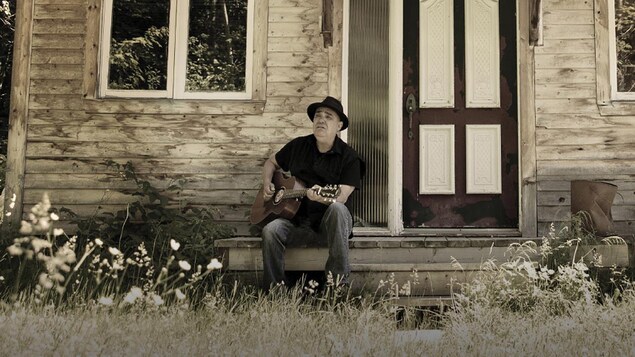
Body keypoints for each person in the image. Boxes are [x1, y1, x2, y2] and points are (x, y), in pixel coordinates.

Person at [260, 96, 364, 290]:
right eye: (318, 115)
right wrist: (267, 183)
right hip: (296, 222)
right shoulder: (298, 146)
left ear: (339, 126)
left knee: (339, 210)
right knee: (270, 230)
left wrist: (322, 200)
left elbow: (341, 196)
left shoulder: (350, 158)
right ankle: (275, 291)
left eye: (328, 116)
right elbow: (270, 163)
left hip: (329, 228)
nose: (321, 120)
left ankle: (336, 287)